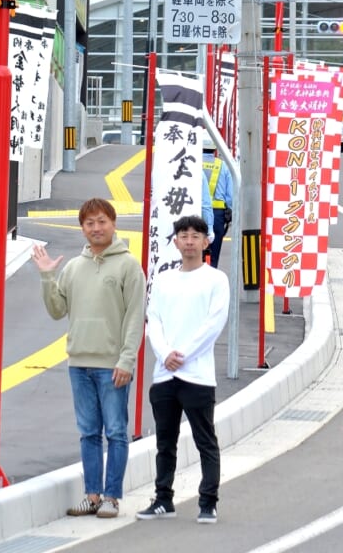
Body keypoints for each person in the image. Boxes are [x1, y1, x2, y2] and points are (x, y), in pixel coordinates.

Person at [31, 197, 146, 520]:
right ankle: (92, 495)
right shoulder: (74, 267)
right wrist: (46, 276)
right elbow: (56, 311)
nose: (96, 228)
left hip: (113, 365)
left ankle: (112, 497)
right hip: (78, 363)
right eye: (89, 223)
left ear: (113, 223)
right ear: (82, 228)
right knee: (88, 433)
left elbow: (136, 317)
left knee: (116, 432)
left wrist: (127, 360)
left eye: (102, 221)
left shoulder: (127, 266)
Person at [136, 214, 230, 524]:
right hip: (165, 375)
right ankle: (163, 499)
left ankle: (208, 501)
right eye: (183, 235)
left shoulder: (216, 279)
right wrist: (165, 355)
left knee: (205, 440)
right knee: (165, 442)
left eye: (195, 236)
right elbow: (155, 321)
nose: (189, 241)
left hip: (198, 375)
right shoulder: (163, 279)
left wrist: (184, 354)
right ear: (175, 241)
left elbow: (213, 324)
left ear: (207, 242)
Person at [202, 145, 233, 268]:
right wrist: (229, 211)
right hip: (217, 215)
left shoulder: (192, 162)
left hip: (194, 212)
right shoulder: (223, 166)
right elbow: (230, 195)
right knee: (213, 256)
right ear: (215, 148)